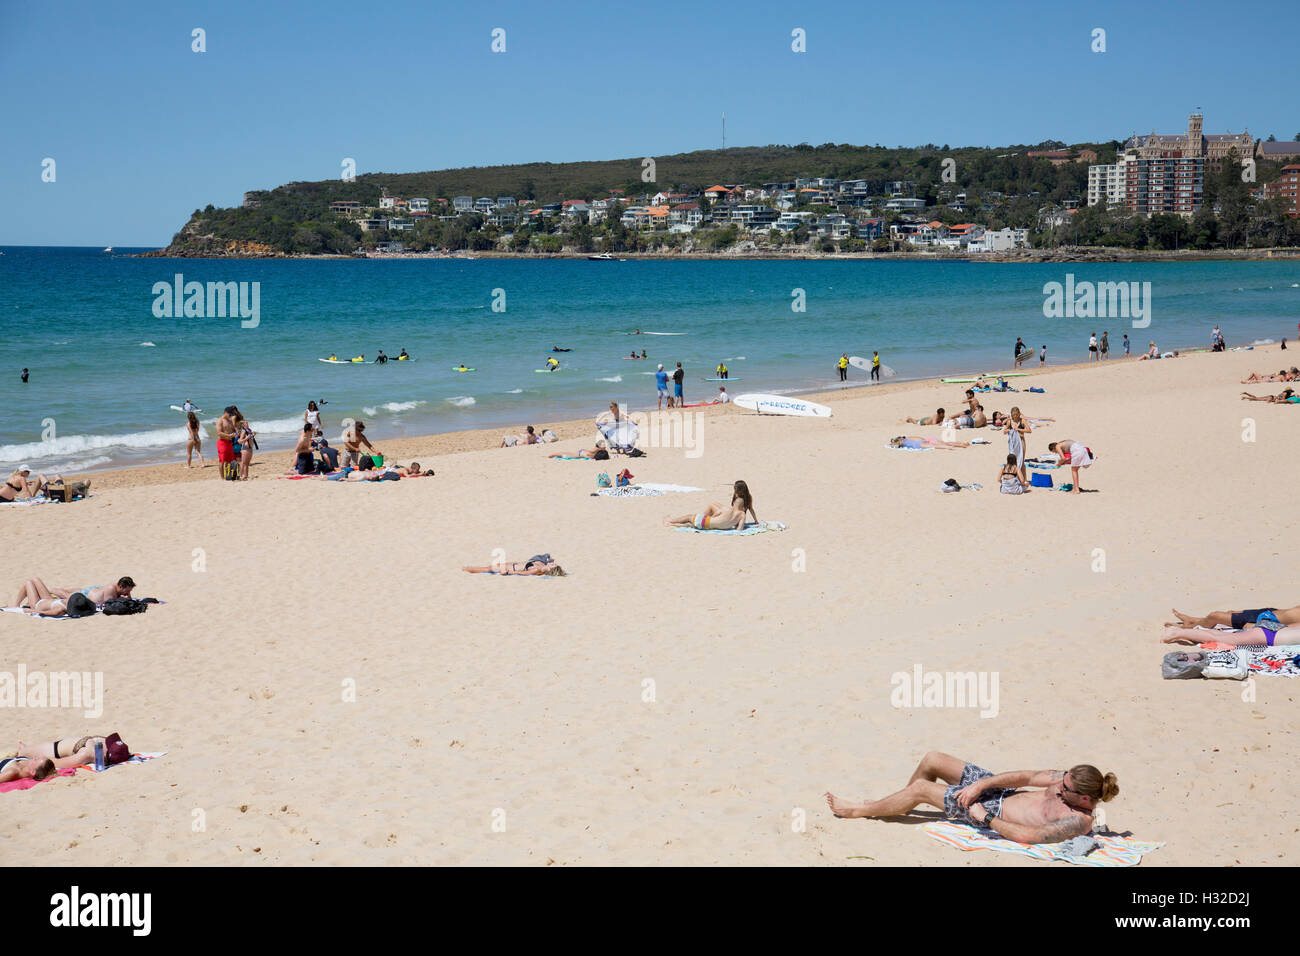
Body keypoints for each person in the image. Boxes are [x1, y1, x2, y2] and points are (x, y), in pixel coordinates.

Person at [824, 752, 1118, 845]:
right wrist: (983, 783)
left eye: (1065, 787)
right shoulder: (1063, 779)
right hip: (998, 792)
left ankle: (861, 811)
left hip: (990, 810)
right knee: (933, 759)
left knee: (922, 790)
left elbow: (1030, 835)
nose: (1058, 784)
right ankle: (894, 803)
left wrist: (985, 817)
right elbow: (1025, 778)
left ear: (1083, 798)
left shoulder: (1078, 821)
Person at [663, 480, 757, 531]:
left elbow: (717, 514)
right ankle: (673, 524)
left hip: (704, 521)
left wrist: (715, 518)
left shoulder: (726, 509)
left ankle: (671, 521)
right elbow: (739, 529)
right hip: (709, 526)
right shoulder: (742, 515)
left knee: (688, 517)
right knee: (690, 525)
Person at [462, 555, 566, 576]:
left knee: (486, 569)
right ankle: (467, 569)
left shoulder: (537, 570)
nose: (552, 563)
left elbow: (522, 573)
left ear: (550, 570)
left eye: (553, 565)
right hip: (511, 564)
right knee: (487, 568)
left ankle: (466, 569)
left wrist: (507, 572)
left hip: (509, 568)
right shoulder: (542, 564)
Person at [1004, 406, 1031, 482]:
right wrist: (1008, 431)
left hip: (1021, 441)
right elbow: (1004, 431)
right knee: (1013, 461)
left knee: (1021, 461)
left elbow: (1029, 430)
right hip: (1013, 443)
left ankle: (1024, 479)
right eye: (1013, 415)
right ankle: (1015, 478)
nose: (1015, 416)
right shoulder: (1009, 421)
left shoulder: (1022, 421)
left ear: (1019, 414)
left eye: (1016, 414)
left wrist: (1018, 429)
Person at [216, 406, 238, 479]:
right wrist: (228, 435)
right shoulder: (220, 420)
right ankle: (222, 477)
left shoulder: (229, 421)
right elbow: (219, 433)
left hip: (229, 442)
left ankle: (228, 476)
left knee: (229, 461)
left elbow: (233, 430)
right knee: (222, 460)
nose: (230, 416)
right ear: (225, 413)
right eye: (229, 414)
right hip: (222, 442)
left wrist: (235, 433)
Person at [234, 411, 256, 480]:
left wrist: (253, 435)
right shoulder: (243, 431)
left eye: (247, 422)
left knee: (247, 463)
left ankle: (246, 476)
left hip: (250, 448)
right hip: (245, 449)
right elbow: (239, 441)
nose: (247, 423)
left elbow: (250, 438)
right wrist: (246, 438)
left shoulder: (249, 430)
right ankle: (240, 476)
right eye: (246, 423)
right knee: (243, 463)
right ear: (243, 425)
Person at [889, 436, 971, 450]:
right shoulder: (907, 438)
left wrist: (891, 444)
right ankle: (961, 444)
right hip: (925, 439)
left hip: (919, 444)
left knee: (937, 445)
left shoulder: (903, 442)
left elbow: (895, 444)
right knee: (945, 442)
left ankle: (949, 447)